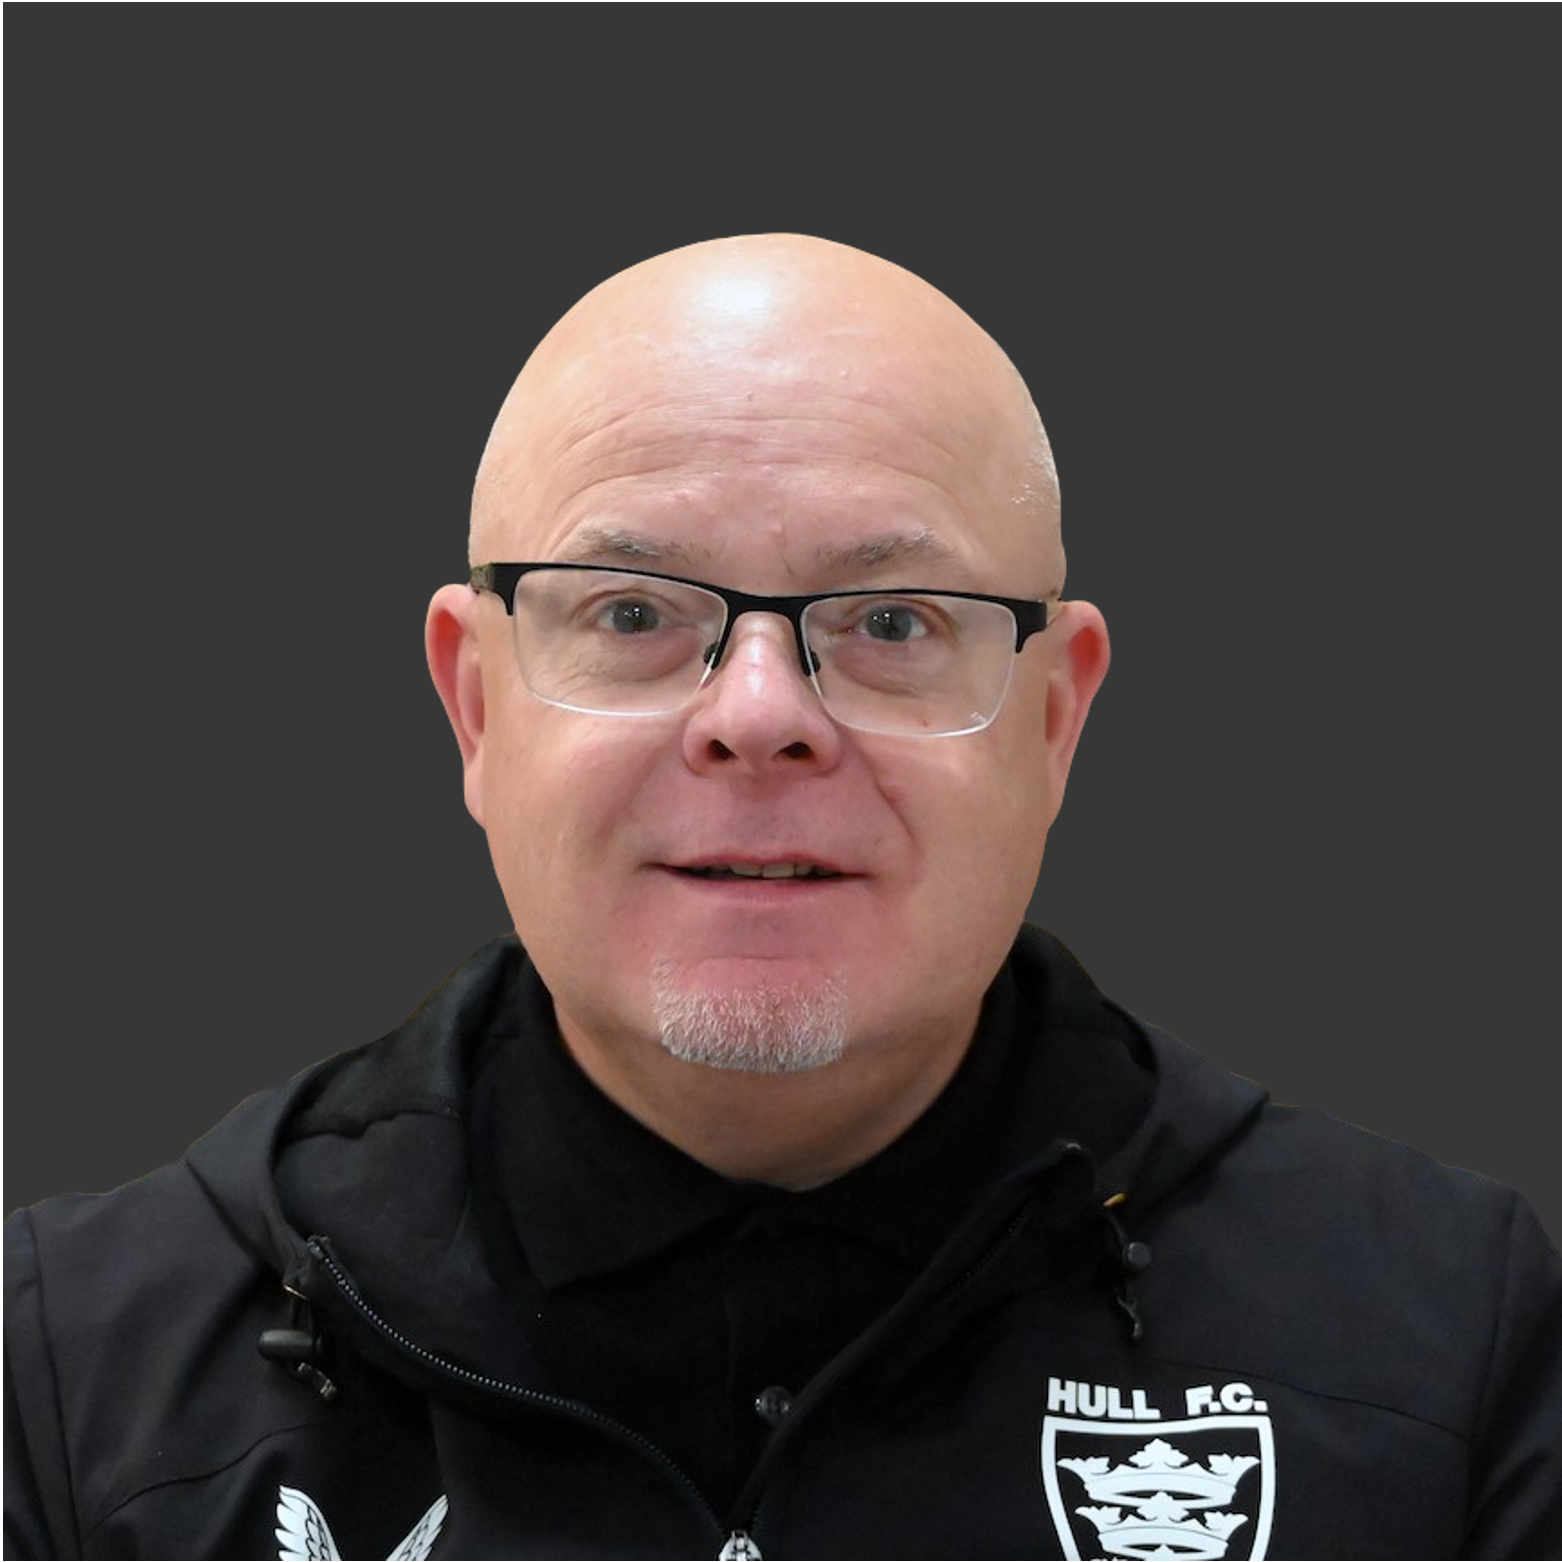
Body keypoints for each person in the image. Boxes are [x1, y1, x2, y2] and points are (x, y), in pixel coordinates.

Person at [4, 235, 1557, 1562]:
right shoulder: (73, 1373)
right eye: (631, 611)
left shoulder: (1444, 1346)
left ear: (1051, 717)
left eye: (892, 618)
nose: (758, 714)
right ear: (476, 706)